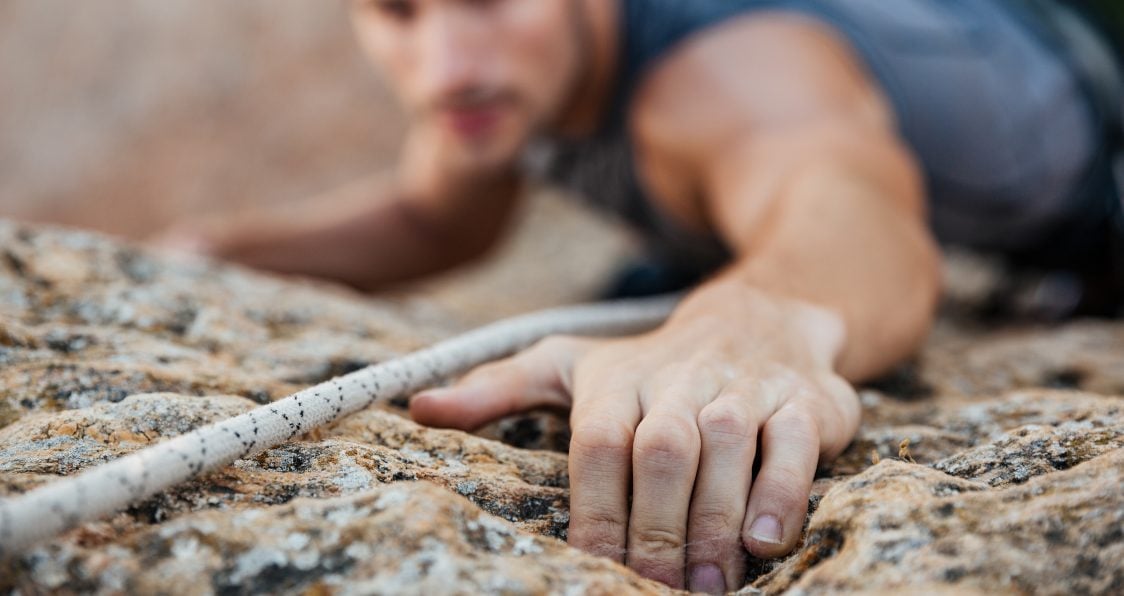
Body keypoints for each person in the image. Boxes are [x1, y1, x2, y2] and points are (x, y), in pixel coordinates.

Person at [156, 0, 1123, 592]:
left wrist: (753, 323)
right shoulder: (499, 78)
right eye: (396, 8)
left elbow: (850, 205)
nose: (444, 66)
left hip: (1086, 181)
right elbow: (437, 222)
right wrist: (208, 251)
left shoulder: (721, 73)